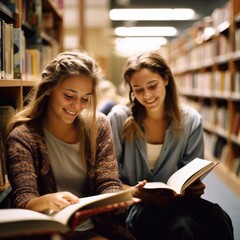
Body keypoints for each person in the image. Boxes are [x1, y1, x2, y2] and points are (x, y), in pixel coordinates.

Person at [5, 50, 136, 240]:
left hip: (95, 227)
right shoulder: (22, 137)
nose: (77, 106)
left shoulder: (98, 125)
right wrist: (48, 200)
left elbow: (108, 182)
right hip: (48, 232)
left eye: (85, 98)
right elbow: (23, 199)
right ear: (49, 88)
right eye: (69, 96)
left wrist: (118, 197)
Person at [107, 50, 234, 240]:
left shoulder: (191, 120)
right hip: (135, 204)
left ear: (166, 79)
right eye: (138, 89)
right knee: (180, 227)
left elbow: (192, 174)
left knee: (219, 219)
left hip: (179, 202)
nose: (147, 95)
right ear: (131, 90)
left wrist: (194, 187)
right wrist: (138, 193)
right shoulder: (119, 118)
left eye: (152, 86)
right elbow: (108, 181)